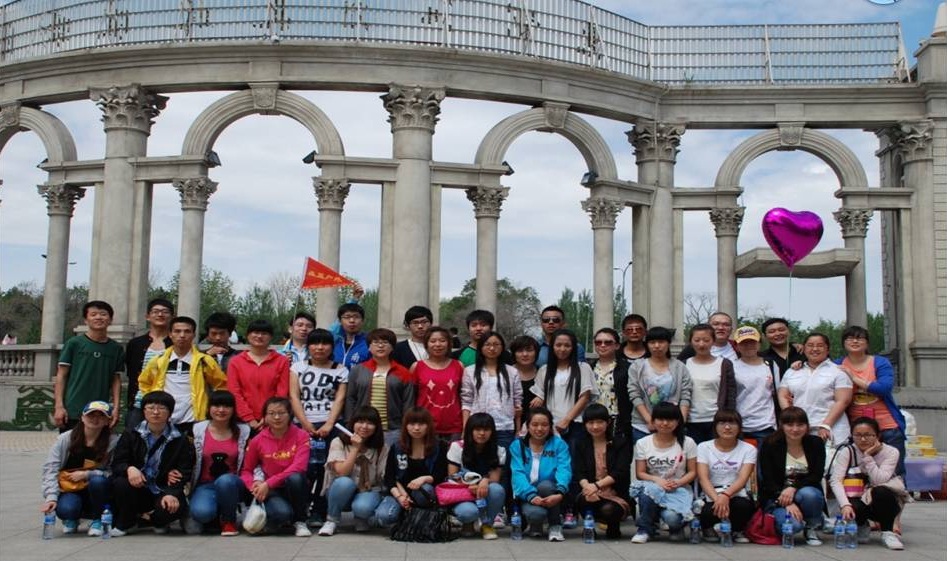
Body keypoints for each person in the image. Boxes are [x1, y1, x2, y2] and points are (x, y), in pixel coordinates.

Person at [109, 391, 195, 536]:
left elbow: (184, 470)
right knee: (120, 483)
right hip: (138, 487)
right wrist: (129, 469)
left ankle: (152, 519)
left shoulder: (180, 439)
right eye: (150, 408)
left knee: (172, 508)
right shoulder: (131, 434)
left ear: (170, 412)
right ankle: (127, 522)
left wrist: (171, 493)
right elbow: (117, 463)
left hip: (162, 487)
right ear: (144, 411)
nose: (156, 412)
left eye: (161, 408)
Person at [289, 328, 349, 527]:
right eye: (315, 343)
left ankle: (319, 511)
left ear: (332, 347)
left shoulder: (341, 369)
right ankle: (301, 509)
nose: (320, 347)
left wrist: (329, 424)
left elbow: (340, 399)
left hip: (331, 425)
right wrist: (305, 423)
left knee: (326, 469)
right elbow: (294, 396)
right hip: (302, 425)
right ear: (309, 346)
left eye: (325, 343)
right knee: (304, 468)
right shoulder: (297, 367)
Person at [137, 316, 228, 435]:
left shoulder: (204, 361)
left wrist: (212, 407)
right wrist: (155, 403)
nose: (182, 335)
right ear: (170, 334)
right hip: (163, 420)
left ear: (193, 335)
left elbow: (221, 385)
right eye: (177, 331)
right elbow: (144, 383)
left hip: (194, 420)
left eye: (187, 331)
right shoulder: (158, 361)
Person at [828, 417, 908, 550]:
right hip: (857, 495)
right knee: (851, 504)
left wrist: (867, 456)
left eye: (868, 435)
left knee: (881, 492)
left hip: (883, 499)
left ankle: (888, 531)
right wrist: (845, 505)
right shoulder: (848, 451)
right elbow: (835, 480)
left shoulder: (891, 452)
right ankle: (861, 524)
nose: (863, 439)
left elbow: (879, 480)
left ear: (878, 435)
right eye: (857, 435)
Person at [836, 325, 906, 476]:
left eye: (860, 338)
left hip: (887, 427)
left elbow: (884, 388)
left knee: (895, 472)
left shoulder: (880, 362)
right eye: (850, 338)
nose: (855, 341)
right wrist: (800, 363)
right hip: (857, 429)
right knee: (860, 472)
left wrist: (853, 377)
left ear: (867, 343)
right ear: (843, 343)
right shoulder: (837, 365)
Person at [41, 401, 118, 536]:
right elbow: (50, 468)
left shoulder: (114, 442)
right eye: (91, 415)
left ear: (108, 421)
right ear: (82, 417)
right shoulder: (65, 439)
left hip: (97, 489)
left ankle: (98, 519)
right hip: (70, 488)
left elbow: (114, 472)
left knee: (98, 481)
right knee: (67, 509)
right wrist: (51, 497)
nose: (95, 419)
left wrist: (88, 474)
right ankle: (72, 518)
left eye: (101, 416)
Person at [240, 397, 312, 536]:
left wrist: (269, 483)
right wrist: (254, 485)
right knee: (282, 514)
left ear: (290, 414)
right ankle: (279, 519)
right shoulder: (257, 440)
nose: (277, 417)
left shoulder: (301, 435)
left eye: (281, 413)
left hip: (294, 486)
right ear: (265, 417)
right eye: (271, 413)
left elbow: (299, 467)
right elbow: (246, 470)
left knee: (296, 477)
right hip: (271, 490)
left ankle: (300, 521)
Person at [630, 401, 697, 543]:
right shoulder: (643, 443)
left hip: (678, 490)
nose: (665, 423)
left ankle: (676, 527)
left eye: (670, 419)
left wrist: (678, 482)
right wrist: (658, 481)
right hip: (653, 488)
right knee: (646, 492)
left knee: (672, 519)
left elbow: (692, 472)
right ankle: (645, 529)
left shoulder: (688, 442)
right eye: (660, 419)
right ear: (653, 421)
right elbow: (640, 473)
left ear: (678, 421)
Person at [758, 406, 826, 546]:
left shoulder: (816, 443)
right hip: (777, 496)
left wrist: (793, 488)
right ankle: (782, 519)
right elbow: (767, 479)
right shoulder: (770, 444)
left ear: (807, 426)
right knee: (793, 527)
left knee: (810, 494)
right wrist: (787, 502)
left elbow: (816, 476)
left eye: (800, 425)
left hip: (804, 492)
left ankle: (812, 527)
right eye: (790, 425)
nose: (795, 429)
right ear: (781, 425)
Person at [186, 390, 251, 536]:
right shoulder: (197, 430)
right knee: (202, 513)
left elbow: (251, 462)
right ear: (209, 408)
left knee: (225, 481)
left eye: (226, 406)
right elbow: (187, 458)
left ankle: (229, 521)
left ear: (233, 409)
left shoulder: (245, 431)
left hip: (233, 484)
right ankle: (217, 515)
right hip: (205, 484)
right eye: (216, 406)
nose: (221, 410)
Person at [318, 406, 390, 536]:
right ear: (353, 423)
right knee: (345, 482)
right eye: (360, 422)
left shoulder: (381, 448)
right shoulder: (338, 442)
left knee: (363, 508)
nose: (364, 426)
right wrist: (355, 448)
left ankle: (361, 517)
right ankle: (332, 520)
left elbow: (383, 476)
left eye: (370, 423)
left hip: (368, 490)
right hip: (339, 491)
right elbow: (342, 472)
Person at [54, 301, 124, 432]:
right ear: (86, 320)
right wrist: (59, 406)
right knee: (72, 443)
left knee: (99, 444)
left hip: (101, 411)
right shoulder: (74, 344)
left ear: (110, 320)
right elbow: (61, 375)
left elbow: (116, 380)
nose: (98, 317)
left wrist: (116, 408)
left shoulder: (116, 348)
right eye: (93, 314)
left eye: (103, 314)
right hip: (73, 409)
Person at [375, 407, 448, 526]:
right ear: (405, 426)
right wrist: (400, 496)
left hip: (425, 493)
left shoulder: (439, 446)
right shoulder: (397, 447)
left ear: (428, 426)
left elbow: (441, 475)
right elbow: (390, 477)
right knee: (384, 516)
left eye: (421, 424)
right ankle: (405, 516)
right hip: (400, 491)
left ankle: (421, 517)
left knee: (425, 489)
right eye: (412, 424)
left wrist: (424, 479)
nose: (416, 428)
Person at [509, 407, 571, 542]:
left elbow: (564, 469)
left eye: (544, 425)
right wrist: (531, 496)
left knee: (546, 486)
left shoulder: (559, 444)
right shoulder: (517, 446)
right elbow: (517, 474)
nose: (539, 429)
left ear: (550, 426)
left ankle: (555, 525)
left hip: (551, 492)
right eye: (535, 424)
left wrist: (560, 492)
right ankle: (535, 525)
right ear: (527, 426)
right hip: (526, 494)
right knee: (535, 514)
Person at [779, 332, 853, 445]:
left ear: (827, 349)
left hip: (831, 429)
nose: (815, 349)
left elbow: (843, 401)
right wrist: (792, 419)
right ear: (804, 348)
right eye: (810, 345)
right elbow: (783, 395)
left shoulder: (838, 371)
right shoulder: (792, 371)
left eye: (820, 345)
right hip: (798, 430)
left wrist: (826, 425)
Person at [530, 328, 596, 455]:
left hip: (576, 424)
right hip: (550, 426)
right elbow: (540, 394)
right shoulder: (544, 370)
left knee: (574, 461)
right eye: (558, 345)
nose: (562, 349)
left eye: (567, 345)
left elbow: (585, 397)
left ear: (573, 348)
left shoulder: (583, 368)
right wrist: (539, 398)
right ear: (552, 347)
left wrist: (567, 420)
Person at [695, 409, 757, 543]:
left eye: (732, 423)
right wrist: (717, 499)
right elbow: (703, 478)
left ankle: (736, 530)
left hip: (735, 492)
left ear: (739, 427)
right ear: (715, 426)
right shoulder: (704, 447)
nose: (727, 427)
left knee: (742, 506)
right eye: (722, 423)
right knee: (708, 511)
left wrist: (726, 495)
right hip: (711, 493)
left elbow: (743, 479)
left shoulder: (749, 449)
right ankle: (708, 528)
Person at [345, 328, 416, 446]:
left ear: (392, 347)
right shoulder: (358, 370)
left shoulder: (403, 372)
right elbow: (350, 398)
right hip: (363, 428)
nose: (380, 346)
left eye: (385, 342)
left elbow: (408, 403)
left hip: (393, 430)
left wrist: (406, 426)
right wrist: (350, 422)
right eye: (376, 342)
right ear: (369, 347)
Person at [572, 403, 632, 540]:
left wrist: (597, 486)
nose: (595, 426)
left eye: (599, 422)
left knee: (609, 510)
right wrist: (588, 487)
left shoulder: (620, 443)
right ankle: (589, 527)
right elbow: (579, 471)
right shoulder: (581, 443)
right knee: (584, 499)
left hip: (614, 492)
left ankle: (613, 526)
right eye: (591, 422)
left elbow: (620, 472)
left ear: (608, 422)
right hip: (590, 490)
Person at [446, 412, 507, 540]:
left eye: (486, 429)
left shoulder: (499, 450)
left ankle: (487, 524)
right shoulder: (457, 447)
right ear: (470, 431)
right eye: (477, 429)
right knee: (468, 513)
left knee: (497, 489)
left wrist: (484, 480)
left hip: (485, 490)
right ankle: (467, 523)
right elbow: (452, 476)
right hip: (462, 490)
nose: (482, 433)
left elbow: (495, 478)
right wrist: (469, 485)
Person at [627, 326, 692, 444]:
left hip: (672, 425)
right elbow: (634, 394)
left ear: (668, 343)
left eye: (661, 342)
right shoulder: (637, 366)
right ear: (647, 344)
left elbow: (685, 396)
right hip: (643, 426)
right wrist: (650, 420)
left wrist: (680, 422)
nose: (657, 346)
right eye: (652, 342)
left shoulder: (680, 367)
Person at [226, 319, 290, 432]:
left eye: (264, 333)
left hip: (273, 419)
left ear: (271, 337)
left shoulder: (282, 361)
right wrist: (249, 418)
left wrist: (268, 416)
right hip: (241, 421)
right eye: (255, 332)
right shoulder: (235, 362)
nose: (259, 336)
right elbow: (234, 392)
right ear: (247, 335)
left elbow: (281, 392)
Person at [461, 331, 522, 448]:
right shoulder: (470, 371)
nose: (492, 348)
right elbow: (467, 402)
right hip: (477, 428)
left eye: (496, 344)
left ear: (502, 347)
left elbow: (517, 403)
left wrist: (518, 430)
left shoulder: (512, 372)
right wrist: (465, 428)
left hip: (504, 427)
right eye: (487, 344)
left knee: (502, 458)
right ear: (481, 347)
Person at [682, 323, 736, 444]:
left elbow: (731, 394)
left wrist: (727, 418)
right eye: (697, 340)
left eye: (706, 340)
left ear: (713, 341)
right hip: (691, 421)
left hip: (717, 420)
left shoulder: (724, 364)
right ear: (690, 342)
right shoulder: (683, 364)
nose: (701, 344)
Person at [124, 298, 174, 429]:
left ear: (172, 317)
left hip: (167, 403)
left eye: (165, 312)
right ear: (147, 316)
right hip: (138, 403)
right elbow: (131, 372)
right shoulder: (135, 344)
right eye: (155, 311)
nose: (160, 315)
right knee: (133, 438)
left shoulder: (176, 344)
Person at [413, 326, 465, 441]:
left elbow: (464, 396)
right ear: (426, 344)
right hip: (425, 425)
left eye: (442, 341)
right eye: (433, 341)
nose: (438, 344)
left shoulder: (458, 366)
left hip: (454, 426)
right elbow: (411, 397)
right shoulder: (417, 366)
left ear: (449, 343)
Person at [731, 326, 778, 445]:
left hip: (767, 424)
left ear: (759, 344)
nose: (748, 346)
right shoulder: (731, 366)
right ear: (736, 346)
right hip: (740, 425)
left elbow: (777, 393)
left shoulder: (770, 364)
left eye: (752, 342)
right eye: (744, 343)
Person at [588, 327, 632, 440]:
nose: (602, 345)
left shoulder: (627, 368)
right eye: (598, 342)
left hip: (618, 421)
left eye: (608, 342)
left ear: (617, 345)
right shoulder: (588, 368)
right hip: (593, 421)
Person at [510, 335, 540, 425]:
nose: (525, 354)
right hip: (510, 422)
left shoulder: (542, 372)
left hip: (537, 424)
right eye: (520, 351)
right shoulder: (507, 373)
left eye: (529, 350)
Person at [334, 303, 369, 369]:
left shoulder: (370, 343)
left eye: (356, 317)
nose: (352, 320)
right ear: (339, 321)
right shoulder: (334, 344)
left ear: (363, 320)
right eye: (347, 317)